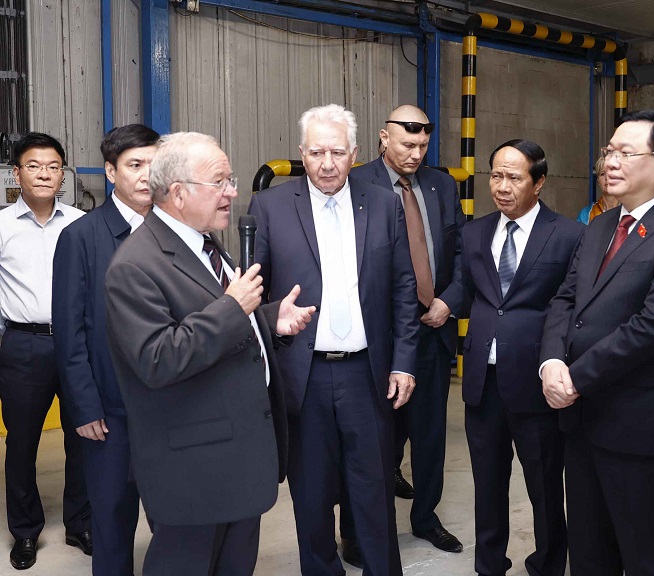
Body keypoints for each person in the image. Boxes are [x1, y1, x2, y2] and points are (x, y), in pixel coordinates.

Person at [104, 132, 314, 575]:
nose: (232, 192)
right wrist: (235, 308)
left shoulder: (204, 244)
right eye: (219, 182)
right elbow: (157, 358)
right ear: (178, 193)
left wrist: (267, 319)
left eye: (230, 180)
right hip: (194, 470)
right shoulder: (135, 265)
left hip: (236, 457)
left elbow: (211, 320)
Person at [540, 109, 654, 575]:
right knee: (589, 551)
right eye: (608, 151)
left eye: (624, 153)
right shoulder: (600, 226)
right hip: (582, 420)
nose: (610, 163)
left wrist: (575, 378)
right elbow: (565, 299)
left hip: (641, 424)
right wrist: (551, 362)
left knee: (648, 555)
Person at [248, 103, 419, 576]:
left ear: (355, 153)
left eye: (337, 153)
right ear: (301, 152)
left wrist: (404, 361)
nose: (327, 164)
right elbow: (250, 293)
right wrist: (272, 321)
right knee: (312, 494)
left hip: (368, 374)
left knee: (374, 491)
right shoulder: (270, 207)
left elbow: (404, 288)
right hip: (302, 376)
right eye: (316, 152)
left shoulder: (383, 204)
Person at [340, 105, 465, 563]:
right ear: (383, 138)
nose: (415, 154)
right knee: (369, 440)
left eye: (422, 146)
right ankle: (358, 532)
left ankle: (426, 518)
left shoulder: (441, 185)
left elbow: (461, 251)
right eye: (407, 144)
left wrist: (449, 300)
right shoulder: (355, 183)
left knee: (430, 435)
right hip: (378, 337)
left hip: (432, 329)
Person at [462, 139, 581, 576]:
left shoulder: (567, 234)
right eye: (496, 175)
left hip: (535, 380)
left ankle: (547, 565)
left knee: (545, 485)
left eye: (514, 177)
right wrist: (437, 305)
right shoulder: (475, 232)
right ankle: (489, 564)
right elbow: (468, 291)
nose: (502, 186)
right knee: (487, 484)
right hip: (482, 380)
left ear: (539, 182)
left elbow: (572, 306)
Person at [53, 124, 159, 576]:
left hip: (170, 407)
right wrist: (84, 407)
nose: (146, 175)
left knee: (176, 520)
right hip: (109, 413)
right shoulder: (81, 237)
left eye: (155, 165)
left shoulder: (177, 230)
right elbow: (70, 330)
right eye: (135, 165)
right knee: (112, 522)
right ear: (111, 172)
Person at [0, 132, 91, 570]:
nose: (43, 174)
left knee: (85, 438)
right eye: (33, 166)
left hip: (77, 344)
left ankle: (80, 523)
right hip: (22, 345)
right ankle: (24, 531)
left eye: (53, 167)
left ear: (63, 176)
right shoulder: (2, 226)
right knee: (21, 445)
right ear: (17, 174)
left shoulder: (81, 223)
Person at [576, 156, 618, 224]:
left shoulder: (629, 210)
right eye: (602, 174)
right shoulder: (586, 214)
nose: (607, 178)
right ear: (598, 182)